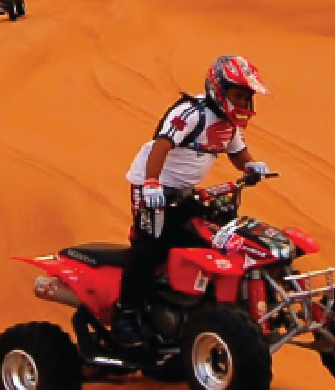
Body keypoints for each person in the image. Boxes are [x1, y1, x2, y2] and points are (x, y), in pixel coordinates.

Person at [115, 55, 271, 346]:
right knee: (150, 243)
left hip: (186, 191)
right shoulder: (191, 113)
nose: (244, 105)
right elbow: (161, 145)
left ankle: (192, 305)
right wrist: (151, 184)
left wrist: (251, 165)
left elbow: (238, 154)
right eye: (239, 96)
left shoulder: (228, 125)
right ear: (219, 90)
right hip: (151, 184)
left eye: (247, 98)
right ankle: (126, 313)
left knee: (213, 237)